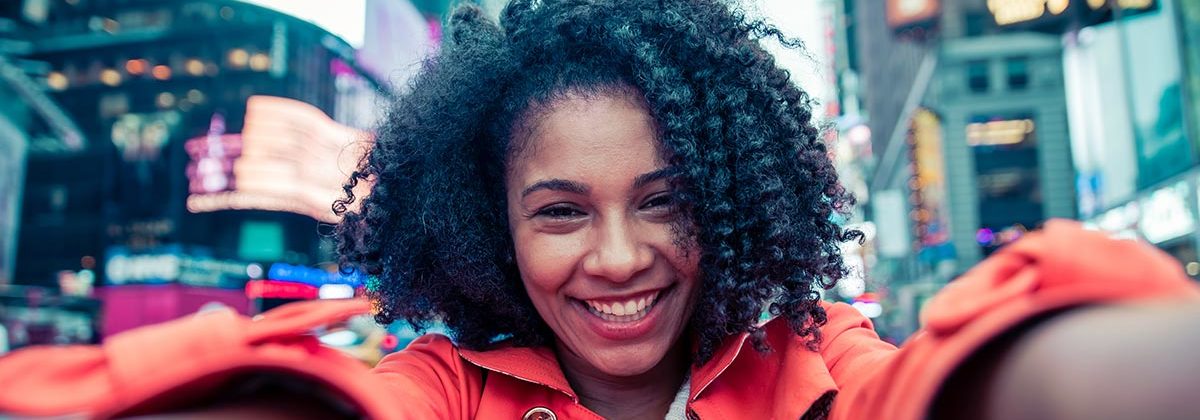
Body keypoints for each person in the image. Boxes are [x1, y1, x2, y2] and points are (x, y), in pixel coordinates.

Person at [1, 1, 1199, 419]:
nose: (618, 258)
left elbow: (957, 383)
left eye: (664, 202)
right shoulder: (444, 390)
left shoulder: (822, 370)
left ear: (727, 205)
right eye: (561, 211)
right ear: (490, 223)